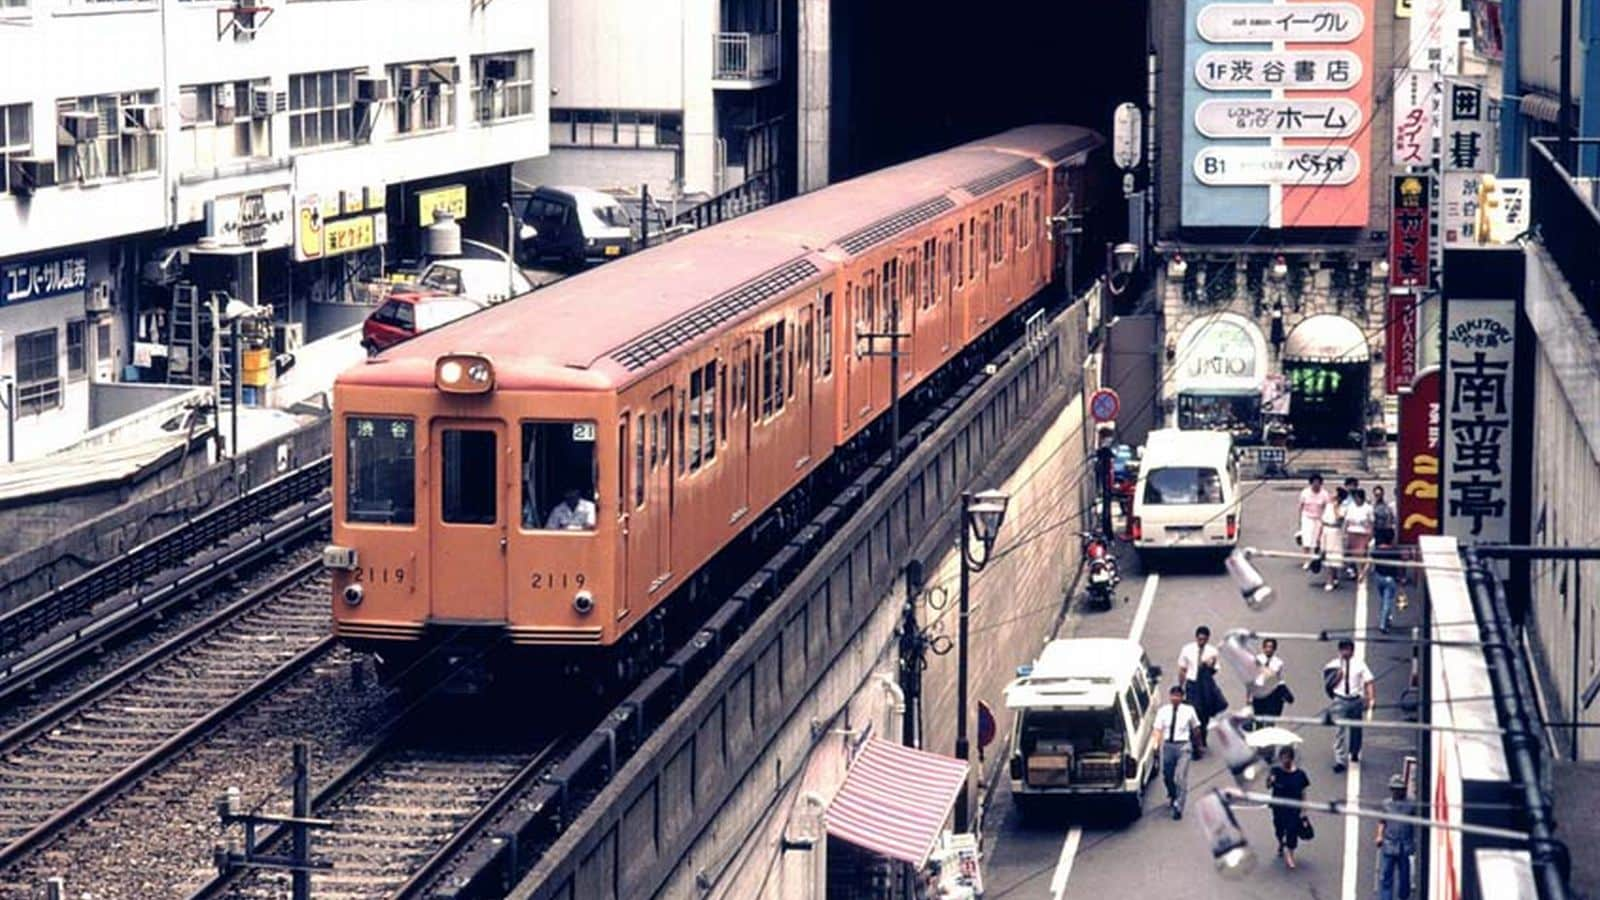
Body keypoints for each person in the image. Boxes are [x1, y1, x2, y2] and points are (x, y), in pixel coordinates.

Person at [1323, 639, 1376, 771]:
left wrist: (1371, 698)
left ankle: (1354, 752)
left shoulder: (1359, 664)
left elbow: (1369, 681)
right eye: (1343, 649)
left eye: (1348, 649)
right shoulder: (1333, 665)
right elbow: (1328, 683)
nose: (1345, 651)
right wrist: (1338, 677)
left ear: (1352, 650)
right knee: (1339, 730)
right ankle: (1339, 760)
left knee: (1356, 729)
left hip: (1355, 699)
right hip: (1340, 699)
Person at [1151, 684, 1201, 819]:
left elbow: (1196, 729)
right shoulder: (1163, 711)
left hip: (1183, 747)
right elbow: (1157, 730)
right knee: (1167, 775)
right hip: (1168, 746)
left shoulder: (1189, 711)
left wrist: (1198, 746)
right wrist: (1155, 746)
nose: (1175, 698)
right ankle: (1172, 794)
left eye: (1178, 696)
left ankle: (1179, 806)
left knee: (1180, 777)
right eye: (1173, 696)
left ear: (1182, 697)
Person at [1177, 626, 1225, 753]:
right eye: (1199, 639)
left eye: (1204, 639)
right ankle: (1194, 742)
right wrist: (1181, 686)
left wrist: (1211, 665)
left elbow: (1215, 670)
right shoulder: (1187, 649)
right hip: (1192, 685)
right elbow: (1182, 669)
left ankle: (1202, 736)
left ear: (1208, 639)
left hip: (1205, 685)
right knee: (1194, 711)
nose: (1201, 642)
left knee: (1204, 714)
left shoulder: (1212, 652)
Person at [1266, 746, 1311, 869]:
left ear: (1291, 759)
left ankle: (1290, 854)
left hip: (1293, 807)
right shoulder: (1275, 771)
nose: (1284, 761)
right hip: (1278, 807)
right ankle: (1281, 842)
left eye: (1286, 759)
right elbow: (1268, 786)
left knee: (1292, 831)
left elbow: (1303, 792)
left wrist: (1304, 809)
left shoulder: (1300, 775)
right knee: (1279, 828)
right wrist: (1271, 780)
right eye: (1282, 758)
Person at [1376, 773, 1417, 900]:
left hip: (1405, 845)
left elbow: (1417, 823)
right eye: (1393, 789)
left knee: (1405, 877)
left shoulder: (1412, 804)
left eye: (1398, 789)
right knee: (1385, 876)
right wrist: (1379, 836)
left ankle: (1403, 897)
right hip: (1389, 844)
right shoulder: (1386, 804)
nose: (1395, 791)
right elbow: (1382, 821)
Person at [1366, 532, 1405, 633]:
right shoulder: (1395, 552)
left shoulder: (1377, 551)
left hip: (1378, 578)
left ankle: (1386, 618)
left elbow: (1369, 562)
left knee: (1383, 599)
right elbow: (1401, 566)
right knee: (1387, 601)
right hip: (1390, 579)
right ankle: (1383, 623)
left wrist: (1362, 574)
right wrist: (1401, 578)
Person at [1250, 637, 1292, 721]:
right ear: (1263, 648)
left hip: (1271, 692)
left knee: (1270, 716)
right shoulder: (1257, 659)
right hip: (1259, 692)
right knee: (1258, 717)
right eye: (1267, 647)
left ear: (1274, 649)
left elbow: (1275, 677)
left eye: (1271, 647)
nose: (1268, 649)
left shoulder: (1278, 662)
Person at [1297, 474, 1331, 567]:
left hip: (1319, 518)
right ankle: (1307, 560)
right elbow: (1301, 506)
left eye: (1318, 483)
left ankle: (1316, 560)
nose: (1316, 485)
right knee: (1306, 539)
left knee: (1317, 540)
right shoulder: (1305, 492)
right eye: (1314, 483)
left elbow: (1327, 507)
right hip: (1307, 518)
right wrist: (1299, 520)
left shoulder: (1325, 494)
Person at [1321, 488, 1347, 592]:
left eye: (1335, 493)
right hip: (1326, 530)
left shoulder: (1343, 508)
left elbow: (1339, 519)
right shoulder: (1328, 505)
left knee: (1333, 556)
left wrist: (1336, 507)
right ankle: (1332, 578)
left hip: (1335, 531)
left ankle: (1331, 580)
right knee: (1326, 555)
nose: (1332, 495)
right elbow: (1323, 520)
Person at [1345, 488, 1375, 572]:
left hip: (1363, 534)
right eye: (1355, 498)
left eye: (1357, 497)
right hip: (1352, 532)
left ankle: (1361, 571)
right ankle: (1354, 570)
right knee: (1352, 554)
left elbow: (1371, 522)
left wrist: (1371, 535)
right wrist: (1345, 533)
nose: (1356, 500)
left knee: (1361, 555)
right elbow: (1347, 521)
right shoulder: (1351, 507)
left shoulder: (1368, 508)